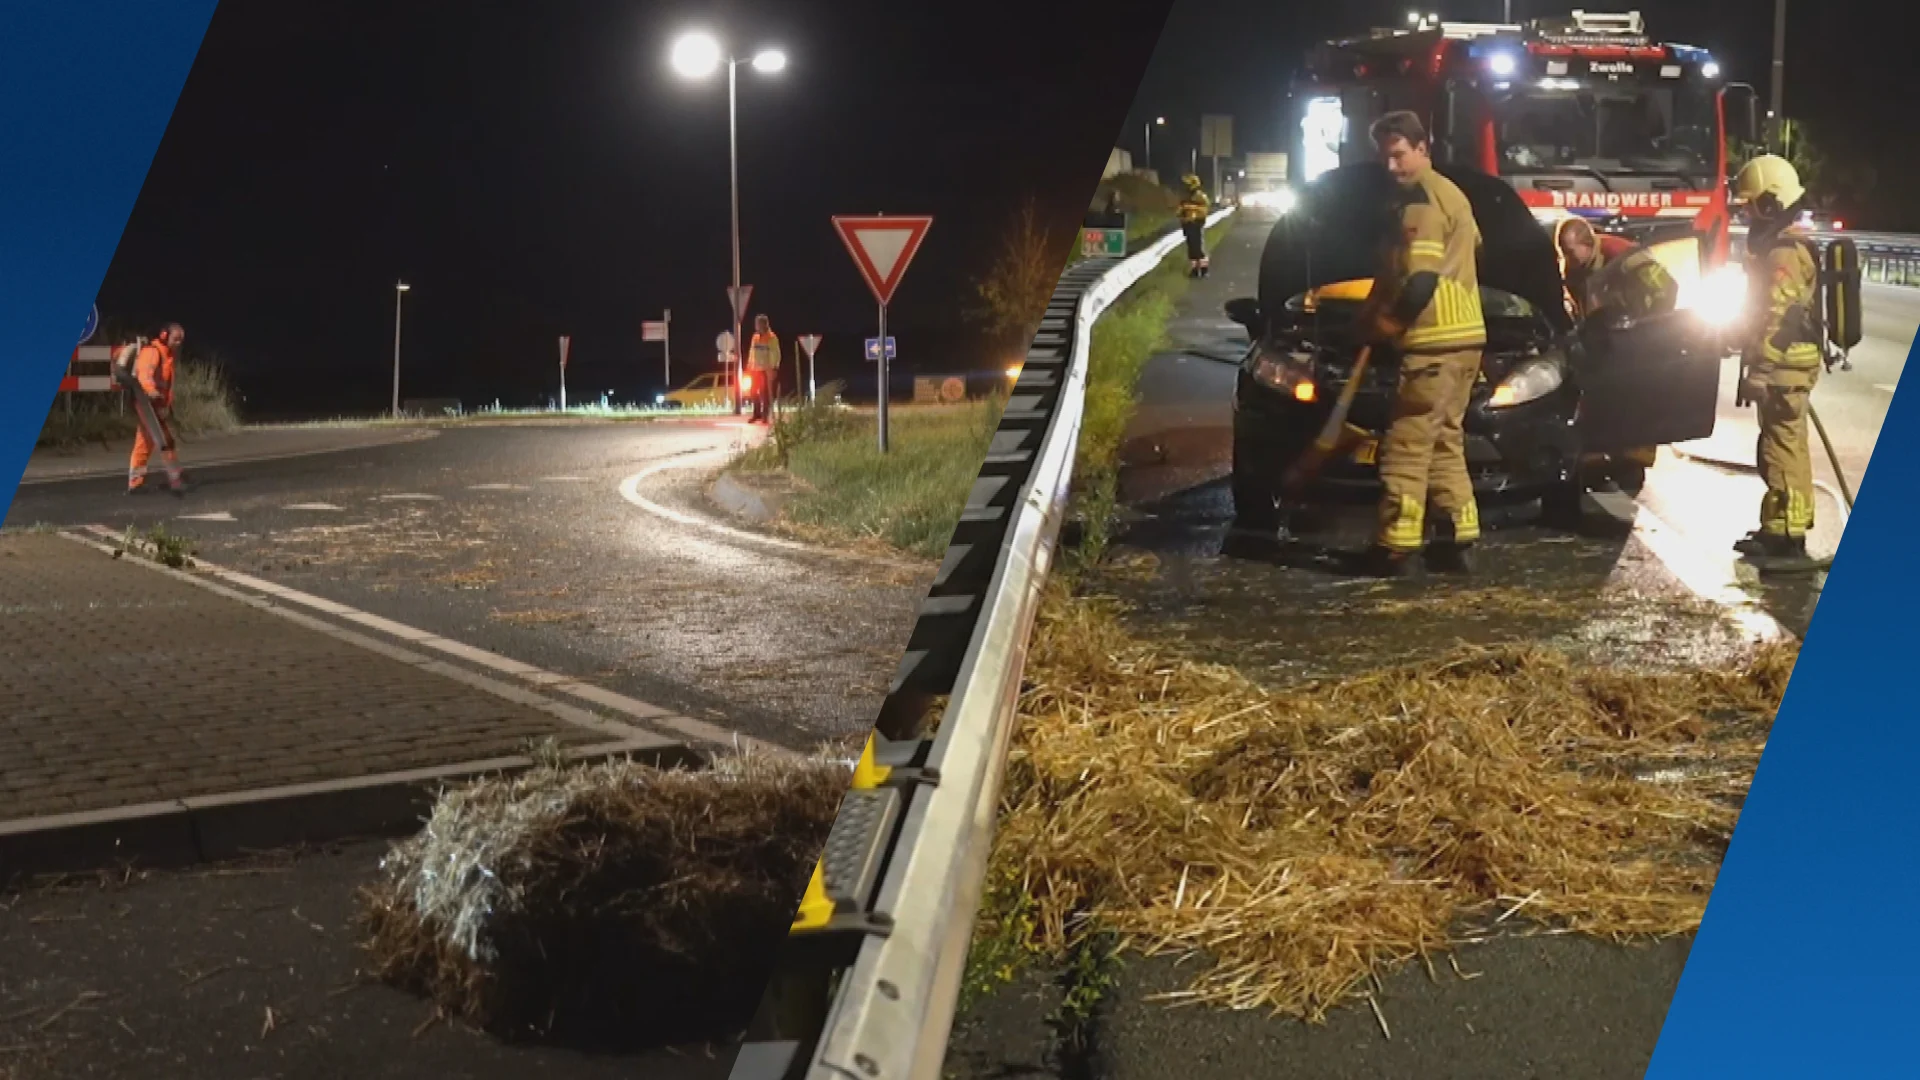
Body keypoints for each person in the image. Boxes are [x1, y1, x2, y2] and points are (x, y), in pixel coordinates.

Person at [1352, 111, 1485, 577]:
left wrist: (1389, 325)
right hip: (1468, 338)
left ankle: (1396, 546)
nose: (1392, 167)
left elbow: (1422, 277)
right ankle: (1458, 534)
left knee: (1408, 442)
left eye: (1399, 155)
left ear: (1422, 147)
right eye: (1385, 158)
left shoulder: (1421, 204)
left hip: (1433, 339)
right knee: (1445, 438)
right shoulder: (1452, 195)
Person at [1729, 153, 1824, 562]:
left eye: (1752, 206)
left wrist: (1762, 368)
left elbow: (1779, 316)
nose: (1748, 215)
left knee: (1779, 448)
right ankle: (1786, 528)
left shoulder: (1783, 252)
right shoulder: (1787, 243)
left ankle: (1785, 539)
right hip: (1791, 362)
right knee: (1789, 444)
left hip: (1783, 364)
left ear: (1771, 202)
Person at [123, 322, 187, 495]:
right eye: (176, 339)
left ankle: (136, 482)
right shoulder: (153, 352)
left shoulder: (167, 356)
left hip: (154, 405)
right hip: (146, 402)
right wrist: (151, 393)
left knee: (146, 441)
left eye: (181, 340)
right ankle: (175, 478)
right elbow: (145, 375)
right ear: (165, 336)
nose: (179, 343)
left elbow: (167, 385)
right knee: (163, 441)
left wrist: (166, 404)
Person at [747, 314, 782, 424]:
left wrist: (774, 368)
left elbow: (776, 354)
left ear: (764, 324)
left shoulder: (771, 337)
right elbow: (752, 352)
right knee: (753, 391)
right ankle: (756, 413)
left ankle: (765, 415)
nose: (756, 325)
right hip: (755, 369)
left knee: (765, 393)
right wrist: (749, 365)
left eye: (757, 323)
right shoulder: (755, 337)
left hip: (766, 369)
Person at [1178, 174, 1210, 277]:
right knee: (1191, 249)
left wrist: (1191, 207)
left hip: (1196, 224)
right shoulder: (1186, 197)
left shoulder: (1200, 196)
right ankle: (1194, 270)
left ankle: (1203, 269)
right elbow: (1179, 210)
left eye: (1187, 184)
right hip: (1188, 225)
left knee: (1199, 247)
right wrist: (1181, 215)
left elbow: (1204, 209)